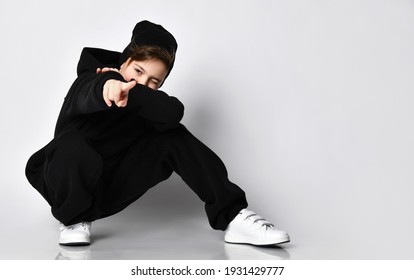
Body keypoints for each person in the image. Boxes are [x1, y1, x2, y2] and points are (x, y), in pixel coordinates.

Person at [25, 20, 290, 247]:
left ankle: (233, 216)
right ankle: (73, 219)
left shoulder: (146, 104)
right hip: (65, 183)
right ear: (123, 60)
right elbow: (88, 93)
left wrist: (135, 94)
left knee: (171, 136)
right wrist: (107, 85)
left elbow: (173, 113)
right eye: (137, 71)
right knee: (72, 144)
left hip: (109, 188)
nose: (142, 83)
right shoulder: (91, 80)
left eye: (154, 82)